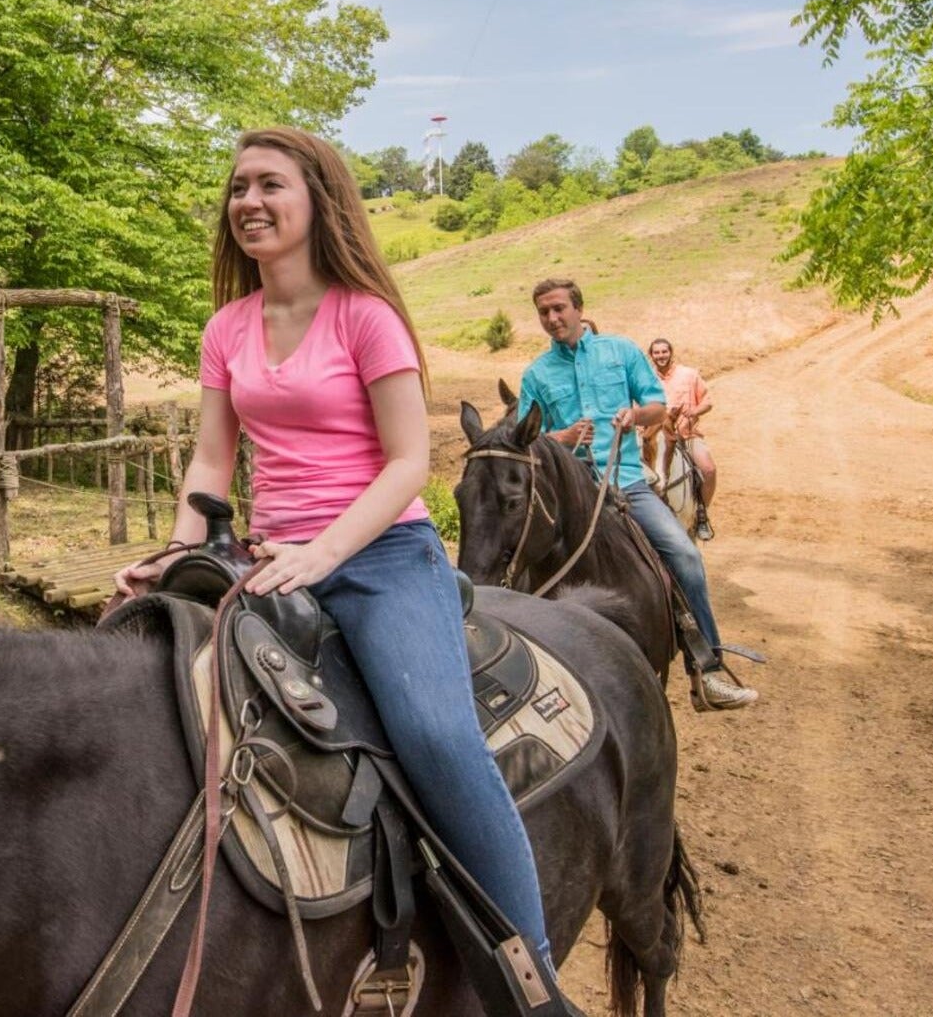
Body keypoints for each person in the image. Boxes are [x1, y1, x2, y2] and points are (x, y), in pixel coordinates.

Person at [115, 128, 582, 1015]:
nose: (248, 201)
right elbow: (212, 464)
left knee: (437, 737)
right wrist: (178, 555)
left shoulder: (366, 315)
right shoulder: (226, 328)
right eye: (238, 187)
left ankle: (535, 983)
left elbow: (409, 461)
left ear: (317, 200)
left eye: (270, 184)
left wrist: (324, 552)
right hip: (268, 556)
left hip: (378, 555)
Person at [515, 280, 757, 710]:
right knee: (512, 564)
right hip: (568, 495)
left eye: (558, 309)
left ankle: (707, 669)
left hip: (626, 483)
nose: (552, 319)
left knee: (684, 557)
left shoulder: (621, 351)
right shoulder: (536, 374)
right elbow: (524, 440)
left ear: (578, 309)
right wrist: (561, 437)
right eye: (543, 313)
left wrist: (635, 414)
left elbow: (657, 406)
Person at [648, 337, 717, 540]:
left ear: (671, 353)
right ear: (651, 356)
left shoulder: (689, 374)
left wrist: (695, 410)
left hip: (686, 435)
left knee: (709, 469)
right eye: (657, 352)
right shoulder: (646, 377)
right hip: (654, 437)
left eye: (664, 351)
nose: (661, 356)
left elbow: (708, 401)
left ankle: (701, 514)